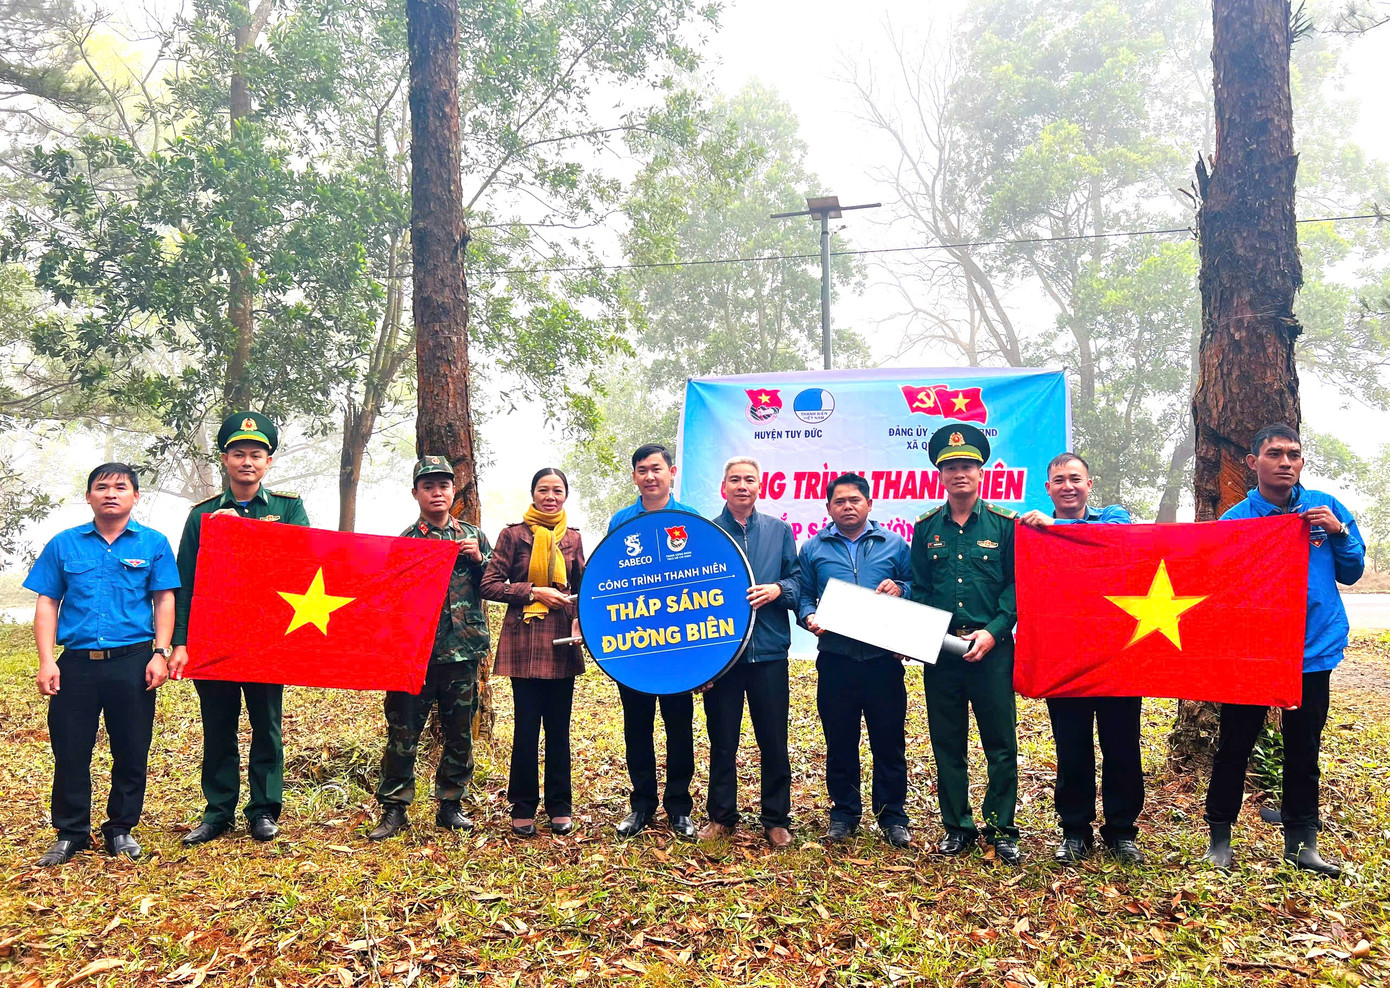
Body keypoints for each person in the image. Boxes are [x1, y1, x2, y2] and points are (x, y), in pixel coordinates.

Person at [1201, 424, 1364, 877]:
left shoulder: (1326, 510)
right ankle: (1219, 839)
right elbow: (1218, 586)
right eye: (1275, 454)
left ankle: (1302, 843)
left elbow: (1352, 572)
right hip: (1254, 652)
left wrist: (1339, 533)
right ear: (1254, 463)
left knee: (1303, 748)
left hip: (1313, 649)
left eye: (1294, 454)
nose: (1286, 462)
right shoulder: (1235, 521)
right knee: (1234, 745)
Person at [23, 463, 179, 866]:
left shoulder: (153, 543)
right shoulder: (64, 544)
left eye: (121, 487)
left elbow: (164, 599)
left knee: (131, 748)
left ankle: (120, 828)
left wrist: (160, 654)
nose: (111, 493)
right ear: (89, 496)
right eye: (102, 487)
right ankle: (71, 832)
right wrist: (46, 661)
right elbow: (46, 602)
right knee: (71, 749)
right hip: (76, 664)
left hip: (133, 661)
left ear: (135, 497)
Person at [171, 411, 310, 846]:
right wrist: (180, 640)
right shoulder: (203, 515)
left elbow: (303, 563)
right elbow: (185, 580)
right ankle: (217, 812)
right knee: (218, 724)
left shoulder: (288, 508)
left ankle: (264, 810)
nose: (246, 461)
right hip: (215, 634)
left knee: (266, 724)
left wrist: (249, 536)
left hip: (269, 635)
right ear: (226, 460)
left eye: (256, 454)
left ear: (268, 462)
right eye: (238, 453)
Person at [1019, 452, 1143, 865]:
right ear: (1048, 488)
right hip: (1064, 654)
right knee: (1072, 748)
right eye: (1059, 480)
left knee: (1122, 747)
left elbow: (1116, 538)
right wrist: (1046, 529)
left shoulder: (1113, 517)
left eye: (1076, 478)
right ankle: (1075, 831)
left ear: (1089, 484)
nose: (1068, 486)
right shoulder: (1034, 528)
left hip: (1117, 654)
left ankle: (1122, 831)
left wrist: (1060, 528)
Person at [912, 424, 1022, 865]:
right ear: (941, 475)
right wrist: (919, 633)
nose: (960, 474)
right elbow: (920, 587)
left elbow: (1017, 588)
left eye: (968, 466)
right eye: (951, 467)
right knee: (947, 743)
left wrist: (993, 631)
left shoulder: (1005, 525)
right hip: (941, 653)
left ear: (981, 473)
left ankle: (1001, 828)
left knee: (1000, 743)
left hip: (992, 651)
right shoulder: (926, 529)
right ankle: (957, 827)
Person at [367, 456, 493, 839]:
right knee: (403, 733)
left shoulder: (474, 536)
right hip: (415, 655)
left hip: (462, 651)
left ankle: (451, 805)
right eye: (428, 487)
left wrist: (479, 560)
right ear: (416, 493)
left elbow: (492, 586)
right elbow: (389, 595)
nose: (437, 493)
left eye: (443, 486)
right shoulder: (405, 542)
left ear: (453, 491)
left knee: (459, 734)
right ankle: (394, 808)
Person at [796, 472, 913, 847]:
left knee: (889, 742)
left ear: (869, 504)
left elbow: (916, 585)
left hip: (883, 661)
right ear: (828, 508)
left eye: (854, 500)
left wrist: (902, 588)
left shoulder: (894, 544)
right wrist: (808, 616)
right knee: (840, 741)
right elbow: (803, 595)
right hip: (836, 660)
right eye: (839, 501)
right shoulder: (813, 548)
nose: (848, 506)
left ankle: (892, 816)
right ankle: (844, 815)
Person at [481, 467, 586, 838]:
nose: (550, 496)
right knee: (526, 728)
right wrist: (534, 592)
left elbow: (583, 589)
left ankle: (560, 805)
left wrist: (580, 622)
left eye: (557, 490)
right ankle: (523, 805)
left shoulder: (572, 538)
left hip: (562, 640)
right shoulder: (513, 535)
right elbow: (489, 584)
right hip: (524, 640)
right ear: (533, 493)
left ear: (565, 496)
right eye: (543, 490)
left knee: (559, 730)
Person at [700, 456, 799, 849]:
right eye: (735, 480)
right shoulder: (706, 532)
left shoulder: (779, 531)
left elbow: (797, 581)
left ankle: (776, 819)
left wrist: (777, 590)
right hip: (723, 656)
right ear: (723, 487)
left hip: (770, 651)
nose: (742, 486)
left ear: (761, 486)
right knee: (722, 739)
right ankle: (721, 817)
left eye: (750, 480)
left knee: (773, 739)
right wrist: (701, 663)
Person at [606, 443, 700, 838]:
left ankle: (680, 807)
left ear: (672, 472)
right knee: (637, 728)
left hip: (680, 647)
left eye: (656, 468)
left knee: (680, 727)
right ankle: (641, 804)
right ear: (634, 476)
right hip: (635, 646)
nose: (650, 476)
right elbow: (609, 584)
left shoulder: (690, 519)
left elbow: (704, 580)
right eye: (642, 469)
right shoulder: (622, 522)